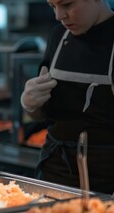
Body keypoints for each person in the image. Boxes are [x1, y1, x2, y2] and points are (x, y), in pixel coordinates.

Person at [21, 0, 114, 194]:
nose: (59, 15)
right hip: (54, 172)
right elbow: (41, 117)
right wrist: (31, 104)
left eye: (67, 4)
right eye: (53, 6)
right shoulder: (58, 35)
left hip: (105, 179)